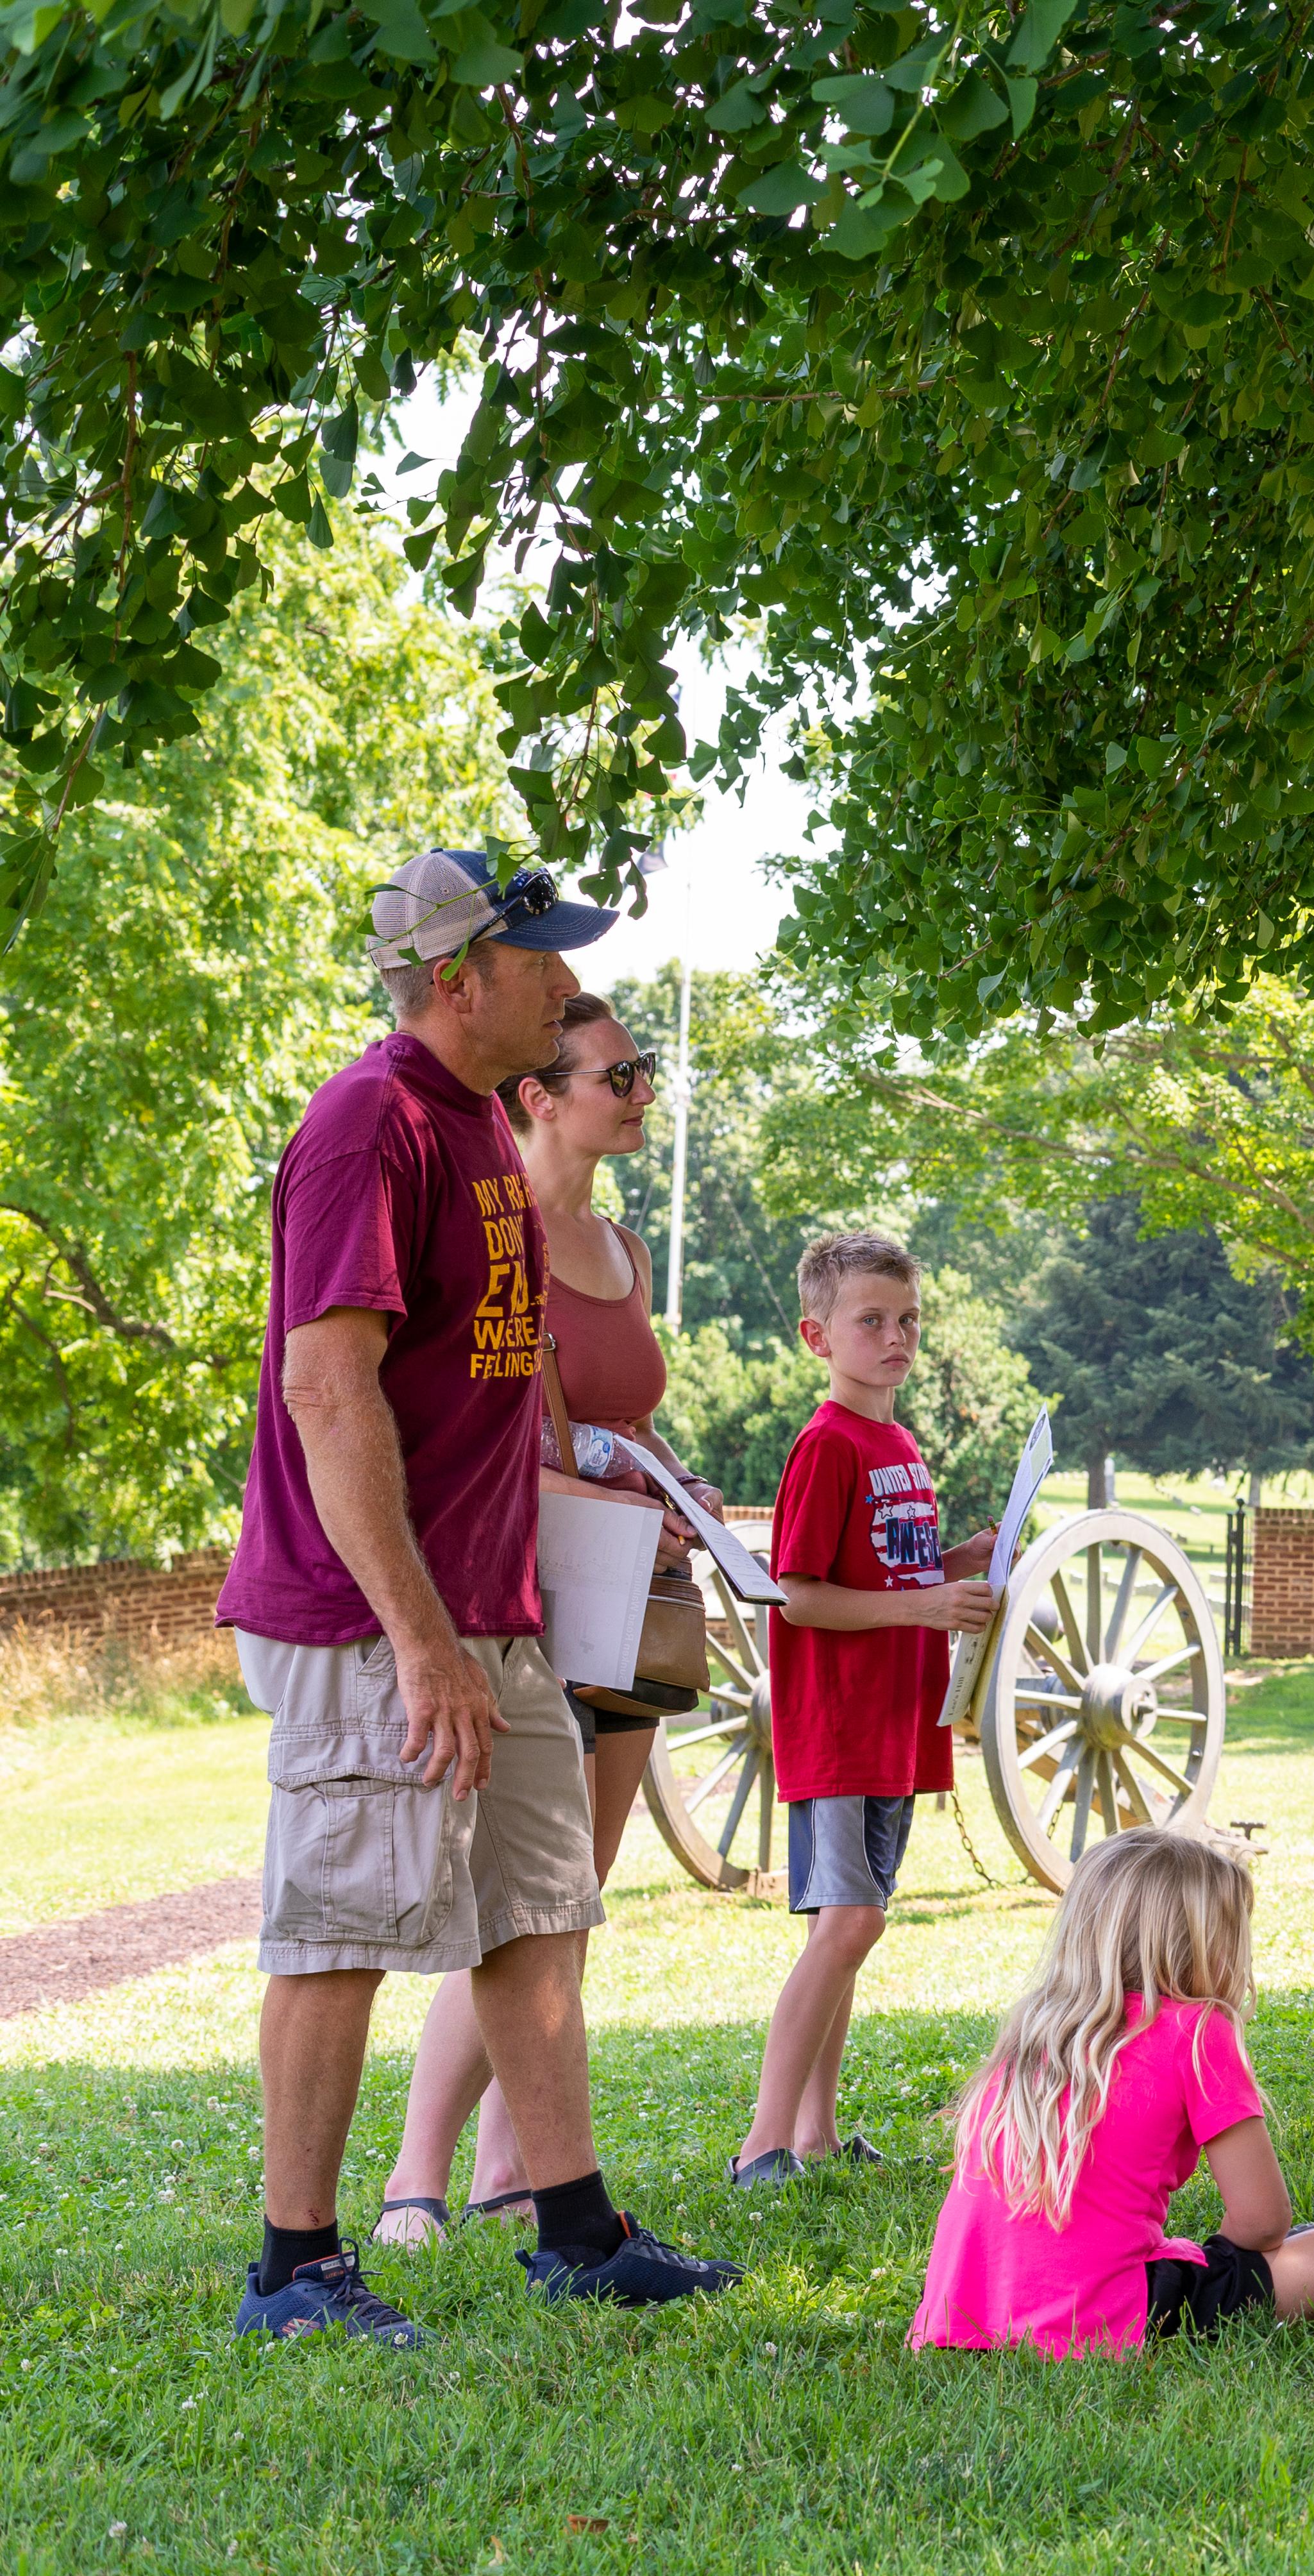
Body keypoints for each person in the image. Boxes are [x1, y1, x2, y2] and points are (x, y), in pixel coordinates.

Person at [220, 851, 743, 2346]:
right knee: (341, 1920)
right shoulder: (365, 1126)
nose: (571, 990)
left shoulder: (475, 1132)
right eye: (544, 963)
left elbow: (492, 1391)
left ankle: (576, 2228)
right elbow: (328, 1391)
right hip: (371, 1620)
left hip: (492, 1612)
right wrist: (420, 1637)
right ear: (459, 977)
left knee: (533, 1910)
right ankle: (296, 2263)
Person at [375, 994, 727, 2247]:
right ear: (540, 1094)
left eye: (644, 1068)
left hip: (629, 1588)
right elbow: (484, 1449)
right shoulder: (494, 1230)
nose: (639, 1089)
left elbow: (617, 1427)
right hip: (523, 1582)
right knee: (521, 1895)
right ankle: (417, 2181)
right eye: (614, 1072)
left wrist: (677, 1491)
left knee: (572, 1894)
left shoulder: (621, 1247)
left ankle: (509, 2172)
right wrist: (623, 1490)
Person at [908, 1827, 1314, 2352]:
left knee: (1301, 2244)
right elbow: (1263, 2222)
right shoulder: (1195, 2032)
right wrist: (1234, 2268)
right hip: (1099, 2315)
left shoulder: (1035, 2030)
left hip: (963, 2315)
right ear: (1194, 1944)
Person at [730, 1229, 999, 2182]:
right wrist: (929, 1603)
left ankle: (814, 2133)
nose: (896, 1337)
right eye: (871, 1320)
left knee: (845, 1928)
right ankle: (763, 2141)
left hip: (896, 1725)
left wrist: (962, 1563)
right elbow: (797, 1593)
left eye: (909, 1319)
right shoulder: (828, 1446)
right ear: (818, 1336)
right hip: (838, 1725)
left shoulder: (898, 1443)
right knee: (850, 1923)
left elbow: (889, 1567)